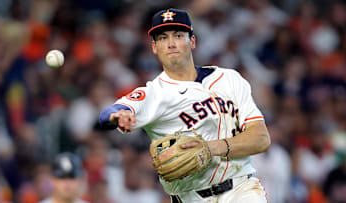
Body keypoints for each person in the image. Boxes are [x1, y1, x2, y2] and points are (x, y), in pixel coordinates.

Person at [99, 8, 271, 203]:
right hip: (190, 198)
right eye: (163, 38)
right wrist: (117, 116)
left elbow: (261, 139)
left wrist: (210, 148)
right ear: (154, 47)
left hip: (241, 190)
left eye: (179, 36)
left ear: (193, 42)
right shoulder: (154, 94)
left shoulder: (230, 79)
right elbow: (107, 114)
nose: (171, 43)